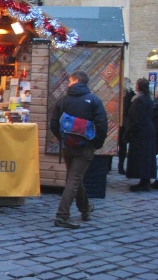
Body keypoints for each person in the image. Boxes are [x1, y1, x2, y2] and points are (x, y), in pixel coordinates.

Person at [49, 70, 108, 229]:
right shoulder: (94, 100)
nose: (68, 84)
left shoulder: (63, 100)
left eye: (69, 81)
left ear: (75, 81)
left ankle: (85, 208)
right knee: (74, 179)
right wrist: (96, 143)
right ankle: (62, 215)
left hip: (68, 146)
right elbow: (102, 125)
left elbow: (53, 123)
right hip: (85, 147)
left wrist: (62, 138)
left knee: (75, 178)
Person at [124, 77, 156, 192]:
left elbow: (137, 119)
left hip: (141, 132)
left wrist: (129, 132)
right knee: (145, 157)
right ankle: (144, 181)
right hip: (146, 130)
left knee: (142, 157)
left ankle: (144, 182)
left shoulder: (140, 100)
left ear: (138, 86)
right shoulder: (146, 99)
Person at [117, 77, 134, 175]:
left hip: (118, 122)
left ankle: (109, 166)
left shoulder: (118, 94)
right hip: (125, 123)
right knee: (122, 145)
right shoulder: (131, 95)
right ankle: (120, 167)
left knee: (114, 144)